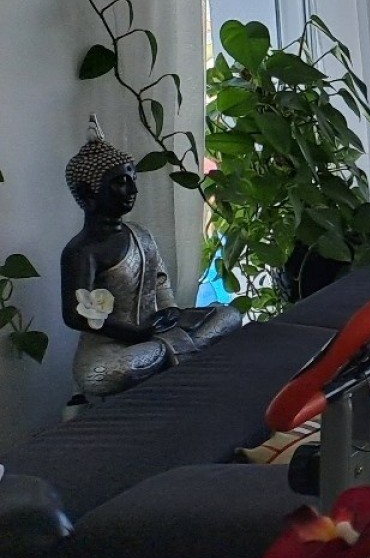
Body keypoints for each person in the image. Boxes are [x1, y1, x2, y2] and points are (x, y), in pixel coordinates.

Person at [59, 123, 244, 398]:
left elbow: (159, 282)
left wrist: (172, 312)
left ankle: (167, 353)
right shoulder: (81, 251)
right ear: (89, 195)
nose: (133, 189)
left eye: (133, 179)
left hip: (157, 332)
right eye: (121, 182)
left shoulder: (140, 234)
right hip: (112, 348)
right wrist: (134, 333)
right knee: (102, 375)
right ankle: (171, 354)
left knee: (229, 316)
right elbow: (75, 316)